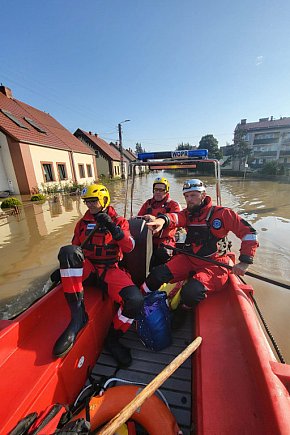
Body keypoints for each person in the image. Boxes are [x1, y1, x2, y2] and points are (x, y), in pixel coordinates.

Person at [141, 178, 259, 324]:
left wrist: (244, 262)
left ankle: (182, 313)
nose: (189, 199)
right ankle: (141, 302)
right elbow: (175, 217)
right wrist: (162, 220)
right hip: (189, 258)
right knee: (157, 275)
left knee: (191, 293)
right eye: (186, 196)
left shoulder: (223, 214)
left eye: (193, 195)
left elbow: (249, 233)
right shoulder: (188, 214)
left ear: (203, 195)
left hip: (214, 264)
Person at [53, 183, 144, 367]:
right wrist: (66, 263)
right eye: (87, 202)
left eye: (94, 201)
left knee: (135, 301)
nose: (90, 205)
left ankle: (113, 338)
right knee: (68, 251)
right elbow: (75, 249)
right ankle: (78, 317)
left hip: (111, 270)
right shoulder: (81, 224)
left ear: (104, 200)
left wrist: (112, 227)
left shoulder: (119, 221)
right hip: (89, 269)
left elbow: (130, 246)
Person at [137, 177, 181, 269]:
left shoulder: (174, 205)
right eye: (156, 189)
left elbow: (177, 220)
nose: (158, 192)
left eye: (161, 190)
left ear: (167, 191)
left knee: (162, 253)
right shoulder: (148, 204)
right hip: (148, 239)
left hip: (166, 240)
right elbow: (138, 218)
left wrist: (156, 219)